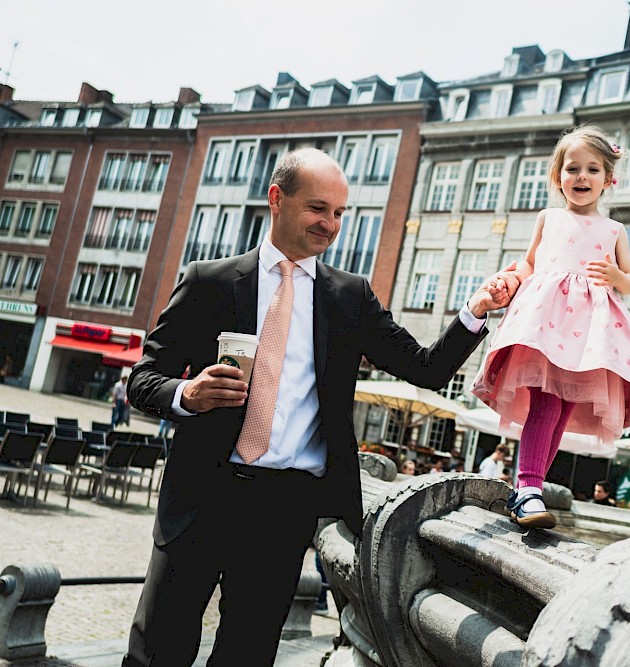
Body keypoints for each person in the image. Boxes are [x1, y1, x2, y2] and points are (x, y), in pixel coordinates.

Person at [121, 148, 517, 667]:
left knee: (246, 653)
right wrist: (187, 395)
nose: (329, 224)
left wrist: (476, 311)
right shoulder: (209, 282)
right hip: (201, 493)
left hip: (284, 507)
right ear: (277, 199)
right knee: (159, 649)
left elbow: (426, 369)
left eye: (338, 213)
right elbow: (143, 380)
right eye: (317, 209)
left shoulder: (348, 297)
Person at [472, 124, 630, 529]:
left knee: (562, 408)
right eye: (572, 168)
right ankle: (527, 488)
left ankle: (532, 487)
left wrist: (615, 275)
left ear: (608, 179)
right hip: (546, 320)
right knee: (546, 400)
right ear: (557, 177)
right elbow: (528, 262)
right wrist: (510, 279)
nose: (582, 177)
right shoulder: (549, 218)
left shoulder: (613, 230)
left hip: (589, 330)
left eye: (593, 170)